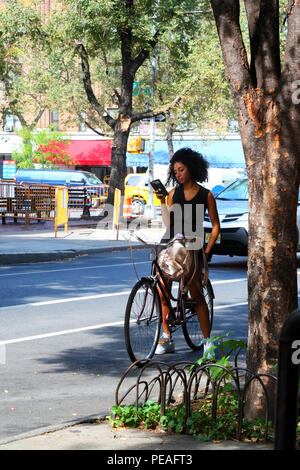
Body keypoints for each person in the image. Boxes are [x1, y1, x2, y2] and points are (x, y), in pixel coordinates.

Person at [153, 148, 220, 355]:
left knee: (197, 295)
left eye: (181, 170)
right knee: (161, 288)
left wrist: (207, 251)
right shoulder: (173, 194)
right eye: (175, 171)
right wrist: (163, 202)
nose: (178, 174)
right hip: (173, 245)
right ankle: (166, 337)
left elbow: (216, 226)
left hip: (194, 247)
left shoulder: (205, 195)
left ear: (191, 168)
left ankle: (208, 342)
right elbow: (168, 223)